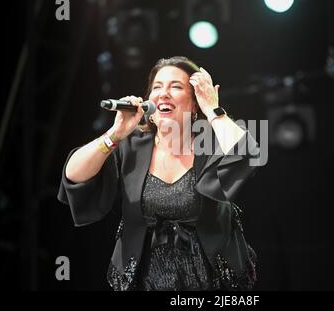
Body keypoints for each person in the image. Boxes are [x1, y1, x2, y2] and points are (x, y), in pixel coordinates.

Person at [58, 56, 260, 291]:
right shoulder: (130, 146)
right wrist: (114, 134)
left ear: (194, 104)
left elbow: (248, 152)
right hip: (144, 281)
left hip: (212, 280)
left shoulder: (213, 142)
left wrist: (213, 109)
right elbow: (74, 175)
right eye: (157, 87)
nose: (164, 93)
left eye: (176, 87)